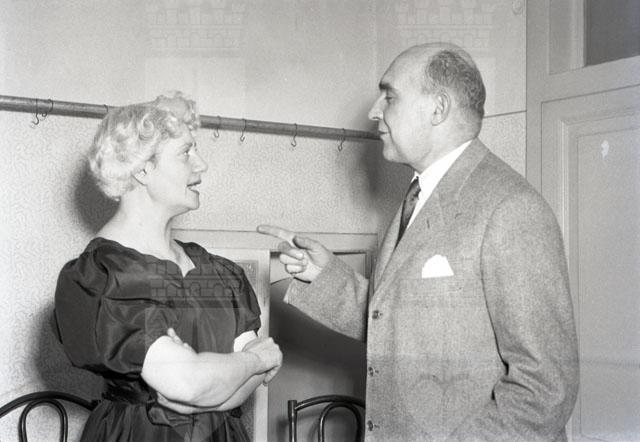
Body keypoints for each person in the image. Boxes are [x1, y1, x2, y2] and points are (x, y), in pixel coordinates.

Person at [259, 43, 579, 441]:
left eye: (390, 96)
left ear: (438, 109)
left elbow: (546, 389)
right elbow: (404, 322)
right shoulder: (418, 196)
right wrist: (324, 276)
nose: (374, 111)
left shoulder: (511, 208)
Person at [54, 92, 282, 441]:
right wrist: (258, 360)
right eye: (186, 152)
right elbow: (189, 383)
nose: (201, 165)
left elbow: (235, 389)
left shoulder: (217, 271)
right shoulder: (100, 276)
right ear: (143, 168)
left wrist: (207, 389)